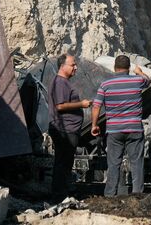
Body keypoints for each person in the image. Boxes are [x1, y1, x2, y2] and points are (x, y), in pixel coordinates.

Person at [90, 55, 150, 196]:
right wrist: (139, 72)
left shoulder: (105, 85)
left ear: (114, 68)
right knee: (136, 164)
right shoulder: (137, 81)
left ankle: (110, 194)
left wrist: (94, 125)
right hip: (134, 128)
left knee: (113, 164)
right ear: (128, 68)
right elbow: (148, 80)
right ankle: (137, 195)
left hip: (114, 130)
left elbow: (96, 106)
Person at [48, 54, 91, 198]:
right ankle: (59, 194)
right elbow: (60, 106)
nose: (76, 67)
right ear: (63, 66)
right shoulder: (60, 83)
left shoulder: (62, 82)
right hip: (64, 130)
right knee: (63, 163)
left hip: (68, 129)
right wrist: (82, 104)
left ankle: (62, 192)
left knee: (65, 163)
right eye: (73, 65)